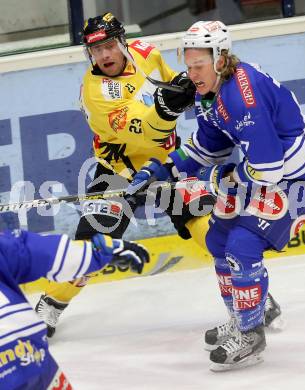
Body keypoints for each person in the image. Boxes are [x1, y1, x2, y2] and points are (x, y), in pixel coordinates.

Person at [126, 20, 305, 371]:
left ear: (220, 58)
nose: (192, 74)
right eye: (188, 66)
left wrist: (214, 180)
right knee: (218, 238)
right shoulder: (209, 93)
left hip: (299, 177)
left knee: (242, 244)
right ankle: (248, 312)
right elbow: (208, 147)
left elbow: (267, 171)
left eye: (199, 65)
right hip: (271, 170)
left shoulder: (241, 96)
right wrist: (161, 169)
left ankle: (251, 334)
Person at [35, 12, 196, 337]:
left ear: (121, 42)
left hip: (165, 167)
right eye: (96, 50)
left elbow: (172, 84)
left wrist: (188, 87)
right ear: (89, 53)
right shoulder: (96, 93)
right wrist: (170, 107)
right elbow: (143, 134)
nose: (104, 55)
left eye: (109, 45)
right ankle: (51, 303)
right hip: (119, 174)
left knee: (207, 225)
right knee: (91, 245)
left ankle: (246, 295)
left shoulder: (148, 53)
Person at [0, 229, 149, 389]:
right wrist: (103, 252)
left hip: (28, 358)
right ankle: (52, 303)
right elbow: (34, 250)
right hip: (30, 353)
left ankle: (53, 302)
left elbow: (31, 251)